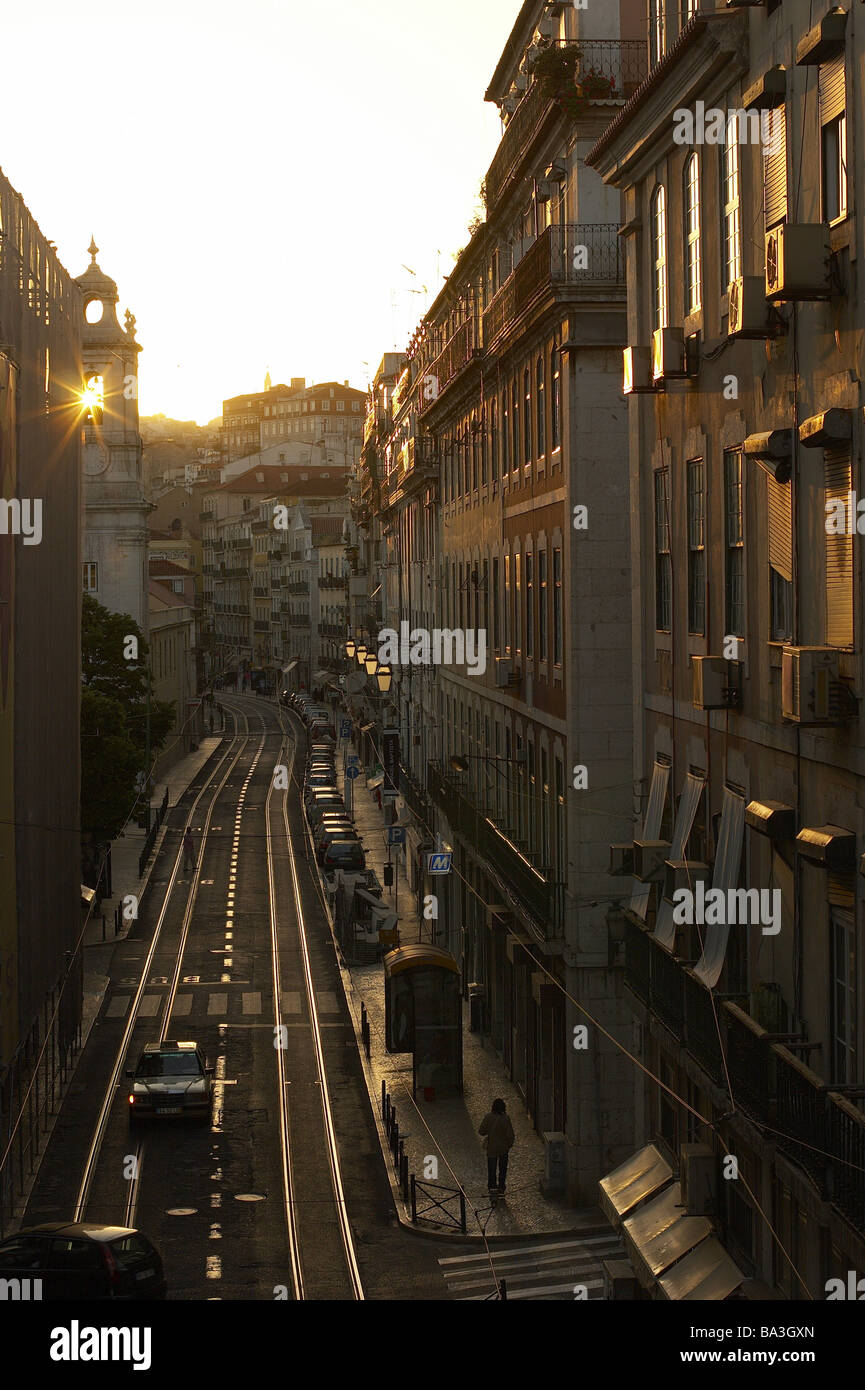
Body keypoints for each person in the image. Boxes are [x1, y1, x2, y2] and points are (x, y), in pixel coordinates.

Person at [479, 1098, 515, 1194]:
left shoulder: (488, 1117)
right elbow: (510, 1135)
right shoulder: (506, 1118)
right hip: (503, 1148)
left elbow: (481, 1131)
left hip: (492, 1148)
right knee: (502, 1169)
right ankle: (501, 1187)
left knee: (492, 1170)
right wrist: (509, 1145)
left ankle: (492, 1187)